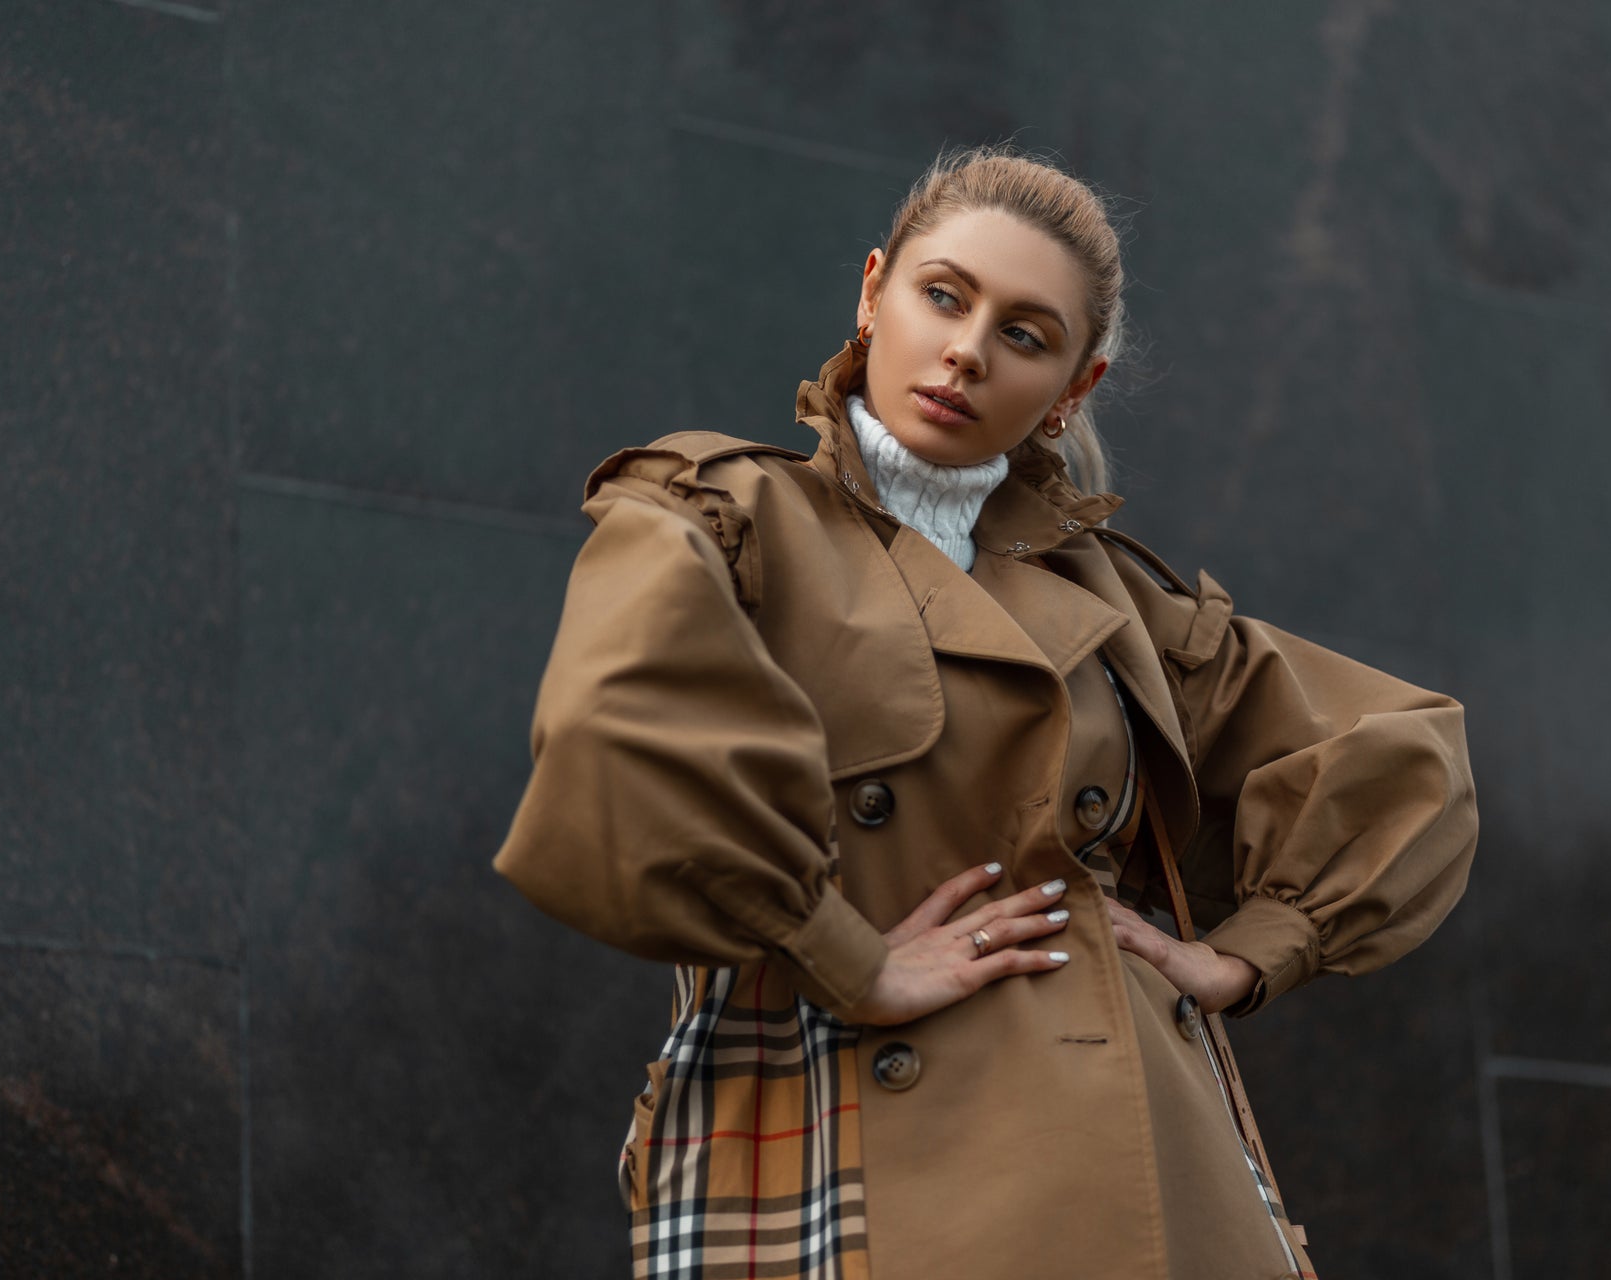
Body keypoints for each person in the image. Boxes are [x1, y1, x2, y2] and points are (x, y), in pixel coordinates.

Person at [494, 145, 1478, 1280]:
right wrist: (844, 954)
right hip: (837, 1128)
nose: (967, 349)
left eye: (1024, 333)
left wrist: (1247, 954)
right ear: (873, 293)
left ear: (1073, 388)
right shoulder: (727, 515)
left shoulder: (1118, 603)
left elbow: (1404, 756)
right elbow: (620, 730)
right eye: (944, 296)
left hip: (1138, 1156)